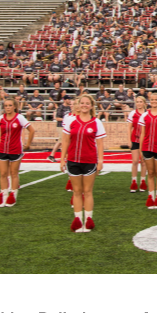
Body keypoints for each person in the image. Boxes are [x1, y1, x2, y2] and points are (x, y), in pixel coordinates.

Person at [60, 94, 104, 234]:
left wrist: (101, 160)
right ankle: (78, 220)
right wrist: (62, 159)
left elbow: (100, 143)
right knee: (77, 192)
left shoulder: (96, 122)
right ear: (79, 105)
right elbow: (65, 141)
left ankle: (88, 220)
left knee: (88, 192)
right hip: (73, 160)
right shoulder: (70, 121)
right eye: (82, 103)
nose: (85, 105)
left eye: (87, 103)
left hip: (90, 161)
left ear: (91, 106)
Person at [0, 94, 33, 209]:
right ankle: (4, 196)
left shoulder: (19, 117)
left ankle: (13, 196)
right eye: (6, 106)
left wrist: (28, 144)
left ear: (14, 106)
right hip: (2, 149)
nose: (8, 107)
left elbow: (31, 130)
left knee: (14, 174)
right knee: (3, 174)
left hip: (16, 150)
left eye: (10, 105)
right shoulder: (0, 118)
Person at [128, 93, 145, 192]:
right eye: (137, 102)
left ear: (144, 103)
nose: (139, 103)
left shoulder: (147, 113)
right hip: (135, 139)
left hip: (145, 140)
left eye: (140, 102)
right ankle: (133, 182)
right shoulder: (133, 113)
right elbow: (129, 127)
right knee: (135, 161)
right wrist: (128, 139)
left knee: (143, 162)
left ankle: (143, 181)